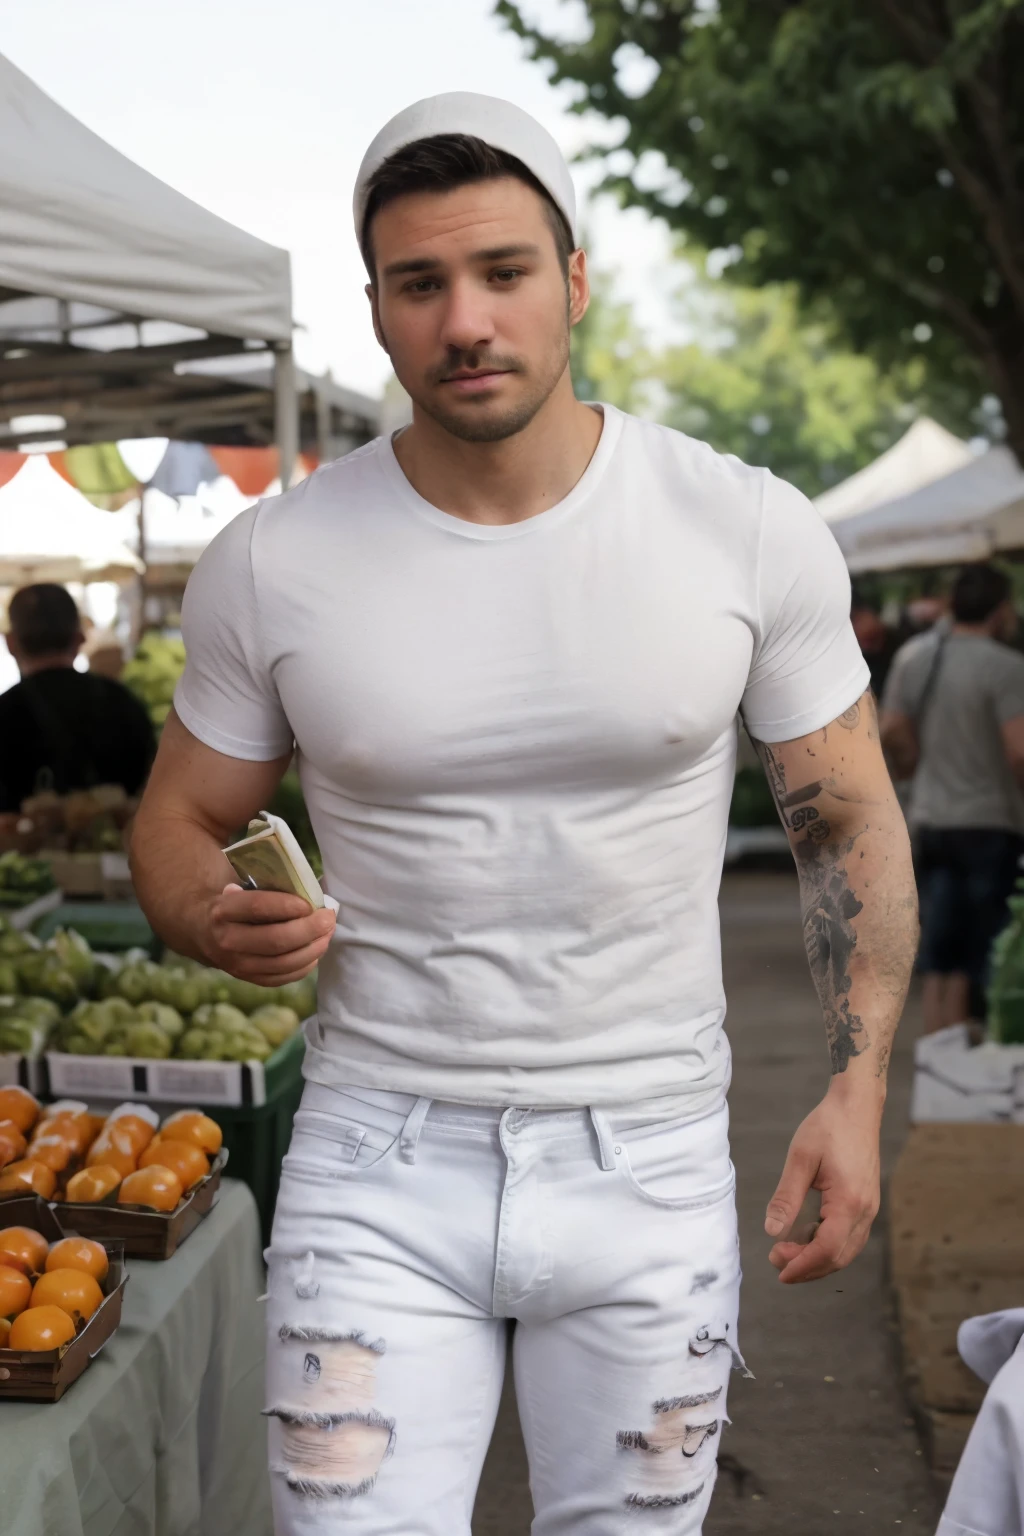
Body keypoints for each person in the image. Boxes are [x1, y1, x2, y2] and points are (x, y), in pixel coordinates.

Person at [130, 94, 917, 1534]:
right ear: (376, 310)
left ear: (575, 280)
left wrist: (857, 1094)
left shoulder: (741, 526)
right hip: (376, 1158)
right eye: (420, 285)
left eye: (502, 272)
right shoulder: (274, 560)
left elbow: (847, 829)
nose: (466, 321)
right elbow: (178, 820)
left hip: (652, 1155)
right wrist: (207, 911)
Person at [881, 563, 1024, 1033]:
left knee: (940, 946)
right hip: (988, 820)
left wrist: (912, 767)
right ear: (1001, 609)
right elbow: (1018, 751)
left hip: (930, 817)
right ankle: (963, 1065)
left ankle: (935, 1049)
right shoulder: (1005, 668)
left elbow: (892, 728)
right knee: (980, 949)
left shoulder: (915, 657)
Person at [0, 584, 155, 813]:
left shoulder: (5, 713)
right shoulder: (123, 703)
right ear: (80, 637)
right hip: (120, 846)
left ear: (11, 643)